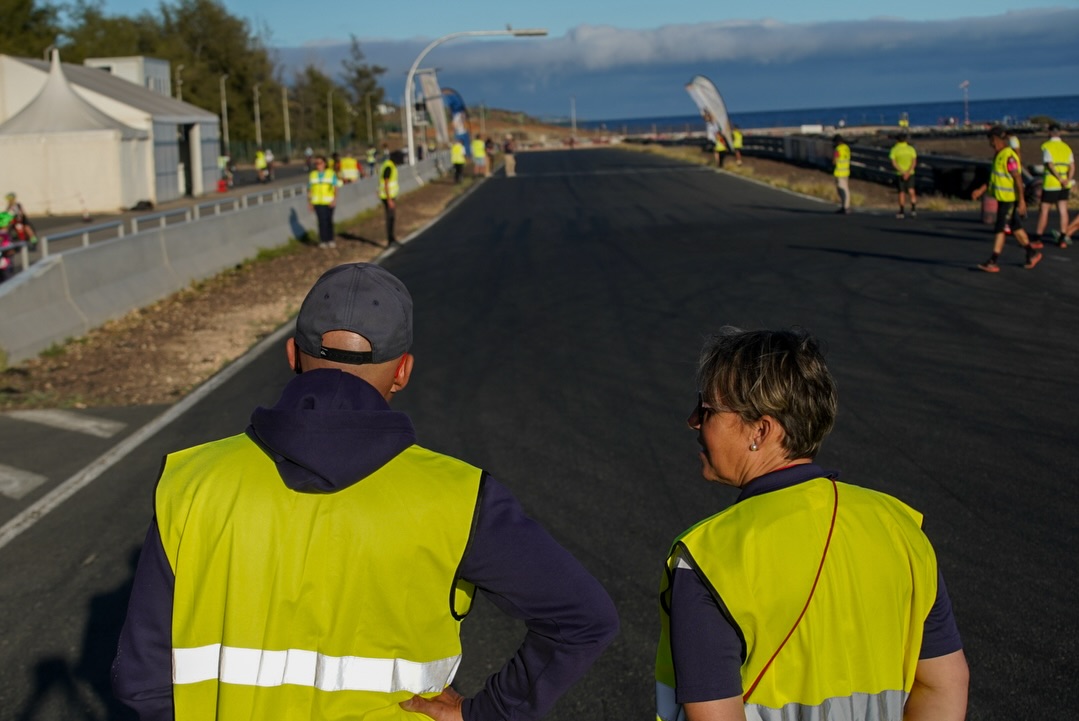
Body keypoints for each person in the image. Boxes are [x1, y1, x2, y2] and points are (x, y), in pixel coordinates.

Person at [111, 262, 619, 721]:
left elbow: (142, 677)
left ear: (292, 354)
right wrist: (486, 713)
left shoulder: (192, 481)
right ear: (402, 371)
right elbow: (583, 619)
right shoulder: (460, 496)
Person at [655, 327, 969, 721]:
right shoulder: (901, 528)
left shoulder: (708, 557)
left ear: (761, 430)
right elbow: (943, 683)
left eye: (707, 410)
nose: (693, 421)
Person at [971, 126, 1043, 272]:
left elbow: (1017, 178)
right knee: (1015, 227)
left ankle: (993, 260)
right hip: (1003, 198)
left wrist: (1021, 201)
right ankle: (1031, 252)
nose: (990, 144)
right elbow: (993, 178)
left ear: (995, 139)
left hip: (1010, 199)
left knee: (1000, 228)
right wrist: (981, 190)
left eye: (990, 140)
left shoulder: (1009, 156)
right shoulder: (998, 156)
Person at [1034, 124, 1074, 248]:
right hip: (1064, 185)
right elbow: (1072, 166)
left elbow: (1050, 165)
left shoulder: (1047, 146)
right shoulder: (1066, 147)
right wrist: (1068, 179)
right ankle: (1062, 238)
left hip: (1051, 183)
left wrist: (1059, 179)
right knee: (1063, 210)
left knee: (1044, 210)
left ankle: (1038, 239)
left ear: (1050, 132)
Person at [307, 154, 339, 249]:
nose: (318, 165)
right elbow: (310, 189)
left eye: (320, 163)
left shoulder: (331, 173)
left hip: (329, 202)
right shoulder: (313, 175)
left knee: (328, 220)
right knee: (321, 221)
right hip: (317, 202)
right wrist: (310, 202)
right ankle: (323, 240)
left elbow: (335, 187)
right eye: (316, 163)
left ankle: (330, 239)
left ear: (324, 163)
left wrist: (334, 199)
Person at [889, 133, 918, 218]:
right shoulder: (911, 149)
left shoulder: (894, 149)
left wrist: (902, 172)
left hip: (900, 173)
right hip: (910, 173)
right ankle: (913, 209)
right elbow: (914, 162)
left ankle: (901, 211)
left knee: (901, 192)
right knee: (911, 190)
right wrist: (908, 172)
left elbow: (894, 163)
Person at [379, 149, 399, 246]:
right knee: (390, 217)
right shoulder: (389, 167)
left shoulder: (388, 165)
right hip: (388, 196)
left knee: (392, 217)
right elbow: (386, 182)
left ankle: (392, 238)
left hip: (388, 196)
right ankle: (390, 240)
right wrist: (389, 199)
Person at [831, 135, 851, 214]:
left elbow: (834, 161)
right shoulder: (847, 148)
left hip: (839, 172)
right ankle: (844, 206)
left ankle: (845, 207)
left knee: (842, 190)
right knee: (845, 189)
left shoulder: (838, 149)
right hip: (846, 171)